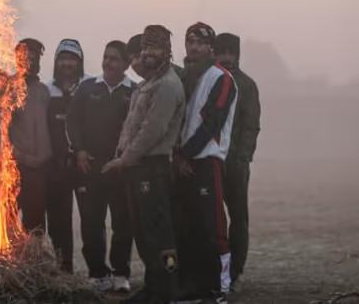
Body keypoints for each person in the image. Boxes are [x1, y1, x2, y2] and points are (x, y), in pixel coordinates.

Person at [102, 26, 186, 304]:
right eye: (146, 48)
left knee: (160, 235)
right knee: (143, 233)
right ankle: (153, 287)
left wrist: (123, 159)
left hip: (154, 167)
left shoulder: (167, 85)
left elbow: (152, 132)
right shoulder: (147, 84)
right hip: (138, 169)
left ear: (167, 51)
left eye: (156, 48)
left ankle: (167, 289)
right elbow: (131, 127)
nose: (149, 54)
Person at [175, 22, 238, 303]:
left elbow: (212, 122)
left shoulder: (221, 78)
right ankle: (193, 284)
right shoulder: (185, 77)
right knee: (187, 227)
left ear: (210, 47)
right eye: (190, 41)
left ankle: (220, 286)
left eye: (200, 42)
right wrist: (178, 156)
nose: (194, 47)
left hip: (206, 161)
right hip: (183, 162)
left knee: (213, 226)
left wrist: (185, 154)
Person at [66, 40, 136, 293]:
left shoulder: (134, 91)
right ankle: (97, 273)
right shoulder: (87, 88)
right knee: (92, 223)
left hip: (120, 170)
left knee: (122, 223)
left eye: (115, 58)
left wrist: (125, 158)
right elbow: (72, 121)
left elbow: (139, 130)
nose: (108, 62)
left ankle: (120, 274)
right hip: (90, 169)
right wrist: (80, 150)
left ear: (126, 64)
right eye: (106, 57)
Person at [213, 33, 261, 291]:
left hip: (235, 165)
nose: (226, 57)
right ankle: (213, 271)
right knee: (210, 219)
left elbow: (251, 127)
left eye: (231, 52)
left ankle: (236, 271)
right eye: (221, 52)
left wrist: (242, 159)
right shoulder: (209, 81)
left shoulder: (247, 85)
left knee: (238, 219)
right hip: (208, 163)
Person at [45, 38, 86, 273]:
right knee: (59, 220)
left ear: (79, 62)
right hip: (56, 166)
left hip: (83, 164)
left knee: (91, 220)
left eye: (72, 59)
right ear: (56, 62)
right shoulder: (46, 90)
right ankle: (64, 268)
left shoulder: (91, 86)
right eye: (63, 58)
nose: (67, 64)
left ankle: (98, 271)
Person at [9, 38, 53, 233]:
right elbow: (2, 130)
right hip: (15, 167)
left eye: (35, 60)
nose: (30, 64)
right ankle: (8, 261)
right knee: (8, 221)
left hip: (39, 169)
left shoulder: (43, 91)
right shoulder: (9, 90)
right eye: (26, 59)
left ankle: (34, 261)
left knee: (35, 225)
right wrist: (19, 155)